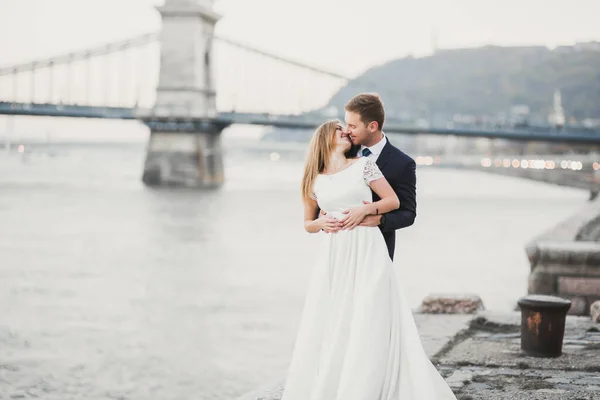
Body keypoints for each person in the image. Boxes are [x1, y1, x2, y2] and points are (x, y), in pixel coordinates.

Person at [279, 116, 457, 399]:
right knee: (337, 316)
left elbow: (393, 202)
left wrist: (366, 211)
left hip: (368, 248)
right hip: (335, 255)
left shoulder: (364, 165)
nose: (346, 132)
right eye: (339, 129)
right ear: (325, 138)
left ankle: (367, 385)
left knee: (370, 312)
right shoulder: (313, 179)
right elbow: (308, 223)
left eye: (347, 128)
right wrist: (321, 224)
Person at [319, 93, 416, 260]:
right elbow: (322, 197)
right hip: (340, 249)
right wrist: (323, 217)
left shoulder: (402, 163)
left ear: (372, 126)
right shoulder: (344, 151)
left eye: (352, 126)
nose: (347, 131)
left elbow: (408, 214)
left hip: (377, 252)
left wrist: (380, 219)